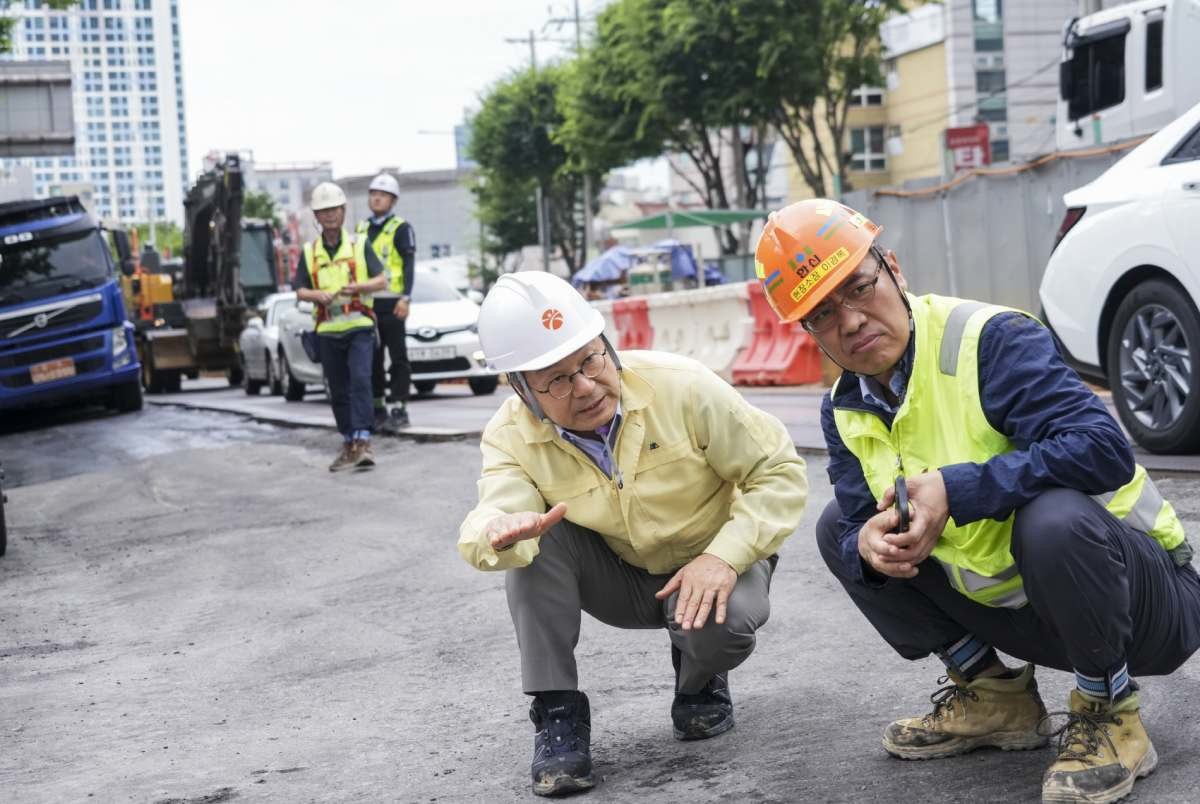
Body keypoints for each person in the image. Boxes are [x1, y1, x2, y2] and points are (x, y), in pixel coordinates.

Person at [755, 199, 1200, 803]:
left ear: (894, 269)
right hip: (1027, 614)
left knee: (1054, 519)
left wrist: (956, 490)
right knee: (840, 528)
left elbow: (1104, 450)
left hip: (1147, 602)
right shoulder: (845, 406)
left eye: (859, 288)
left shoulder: (990, 341)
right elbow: (857, 518)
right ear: (808, 331)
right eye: (823, 313)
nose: (852, 321)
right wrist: (867, 542)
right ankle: (996, 698)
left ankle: (1110, 711)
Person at [458, 271, 808, 797]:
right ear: (521, 389)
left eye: (590, 360)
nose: (584, 386)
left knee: (721, 629)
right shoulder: (511, 435)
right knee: (536, 541)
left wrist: (726, 557)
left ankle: (698, 677)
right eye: (555, 379)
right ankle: (558, 713)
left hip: (714, 561)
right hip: (620, 576)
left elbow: (778, 471)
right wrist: (500, 531)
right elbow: (498, 502)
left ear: (609, 348)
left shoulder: (682, 386)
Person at [293, 182, 388, 471]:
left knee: (360, 381)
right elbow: (299, 290)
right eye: (324, 211)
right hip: (327, 329)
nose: (330, 215)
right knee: (338, 388)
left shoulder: (359, 244)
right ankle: (349, 442)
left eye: (334, 209)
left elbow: (381, 280)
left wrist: (358, 286)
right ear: (317, 217)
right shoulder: (309, 252)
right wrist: (316, 295)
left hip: (358, 325)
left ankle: (363, 440)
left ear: (343, 211)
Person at [357, 172, 416, 433]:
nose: (376, 198)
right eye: (373, 194)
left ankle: (400, 408)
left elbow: (409, 264)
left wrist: (406, 297)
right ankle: (377, 407)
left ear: (393, 200)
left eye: (382, 195)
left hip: (393, 302)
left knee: (398, 357)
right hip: (368, 303)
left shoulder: (401, 228)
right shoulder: (360, 229)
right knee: (373, 358)